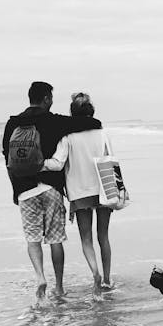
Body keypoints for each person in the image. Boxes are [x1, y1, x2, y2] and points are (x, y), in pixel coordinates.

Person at [2, 82, 102, 302]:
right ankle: (58, 287)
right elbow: (91, 122)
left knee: (32, 239)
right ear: (46, 98)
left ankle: (40, 277)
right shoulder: (54, 121)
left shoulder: (12, 124)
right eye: (51, 98)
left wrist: (15, 191)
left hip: (24, 190)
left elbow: (7, 159)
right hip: (51, 189)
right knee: (55, 240)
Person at [41, 93, 114, 301]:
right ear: (92, 112)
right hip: (104, 189)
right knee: (104, 237)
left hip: (80, 192)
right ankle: (107, 279)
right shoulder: (103, 134)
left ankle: (95, 273)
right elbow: (111, 161)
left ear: (72, 114)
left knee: (86, 239)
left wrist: (38, 163)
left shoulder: (68, 138)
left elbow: (57, 163)